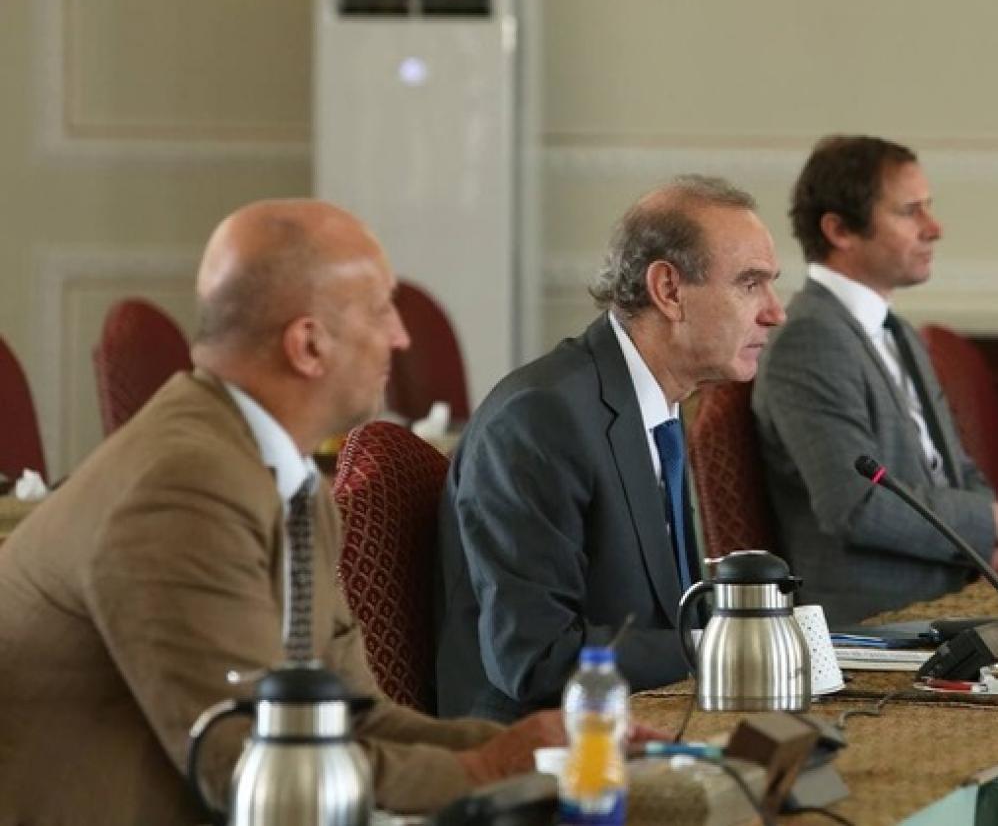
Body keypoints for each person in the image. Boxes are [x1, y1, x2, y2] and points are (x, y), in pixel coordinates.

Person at [0, 200, 566, 824]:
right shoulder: (183, 486)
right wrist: (485, 772)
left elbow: (349, 717)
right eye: (380, 310)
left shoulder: (287, 480)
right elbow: (248, 760)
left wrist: (525, 749)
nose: (401, 337)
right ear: (308, 344)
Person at [436, 175, 786, 722]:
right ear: (669, 291)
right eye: (749, 284)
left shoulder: (661, 404)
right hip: (540, 743)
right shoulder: (540, 419)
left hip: (650, 715)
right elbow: (535, 657)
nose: (774, 311)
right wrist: (727, 648)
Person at [752, 135, 998, 624]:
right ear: (839, 230)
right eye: (910, 211)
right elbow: (855, 503)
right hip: (875, 624)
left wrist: (988, 539)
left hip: (947, 601)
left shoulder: (898, 331)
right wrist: (989, 522)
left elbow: (956, 469)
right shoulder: (809, 339)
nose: (934, 228)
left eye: (929, 207)